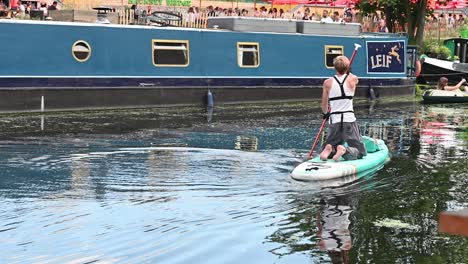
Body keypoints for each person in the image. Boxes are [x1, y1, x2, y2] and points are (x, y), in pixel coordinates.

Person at [319, 56, 367, 161]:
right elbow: (354, 77)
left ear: (335, 68)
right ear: (348, 67)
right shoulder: (352, 79)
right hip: (349, 119)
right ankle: (344, 150)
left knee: (332, 142)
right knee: (361, 152)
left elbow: (324, 104)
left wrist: (326, 113)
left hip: (334, 119)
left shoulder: (327, 82)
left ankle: (330, 148)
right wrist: (347, 71)